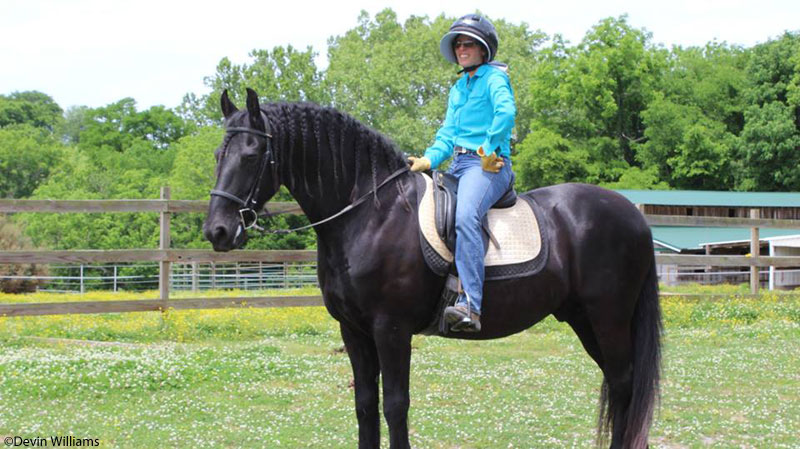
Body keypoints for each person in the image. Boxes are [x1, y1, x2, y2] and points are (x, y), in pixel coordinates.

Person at [408, 14, 516, 332]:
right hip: (457, 165)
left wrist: (487, 149)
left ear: (483, 49)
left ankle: (471, 304)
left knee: (465, 216)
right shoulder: (458, 88)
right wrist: (428, 160)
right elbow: (448, 133)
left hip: (489, 166)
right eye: (458, 44)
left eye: (469, 43)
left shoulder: (494, 79)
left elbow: (506, 112)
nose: (462, 48)